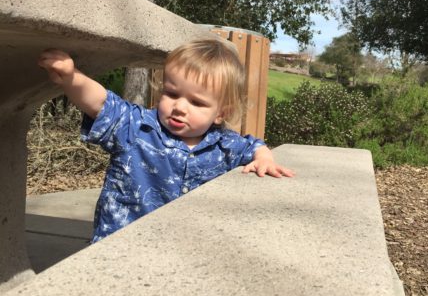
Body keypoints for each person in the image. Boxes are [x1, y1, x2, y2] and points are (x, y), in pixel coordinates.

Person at [38, 38, 294, 242]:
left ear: (221, 113)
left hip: (184, 248)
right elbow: (102, 104)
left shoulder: (225, 144)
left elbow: (253, 145)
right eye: (172, 93)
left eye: (196, 102)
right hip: (119, 244)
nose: (180, 107)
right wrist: (72, 78)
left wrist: (264, 158)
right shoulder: (137, 127)